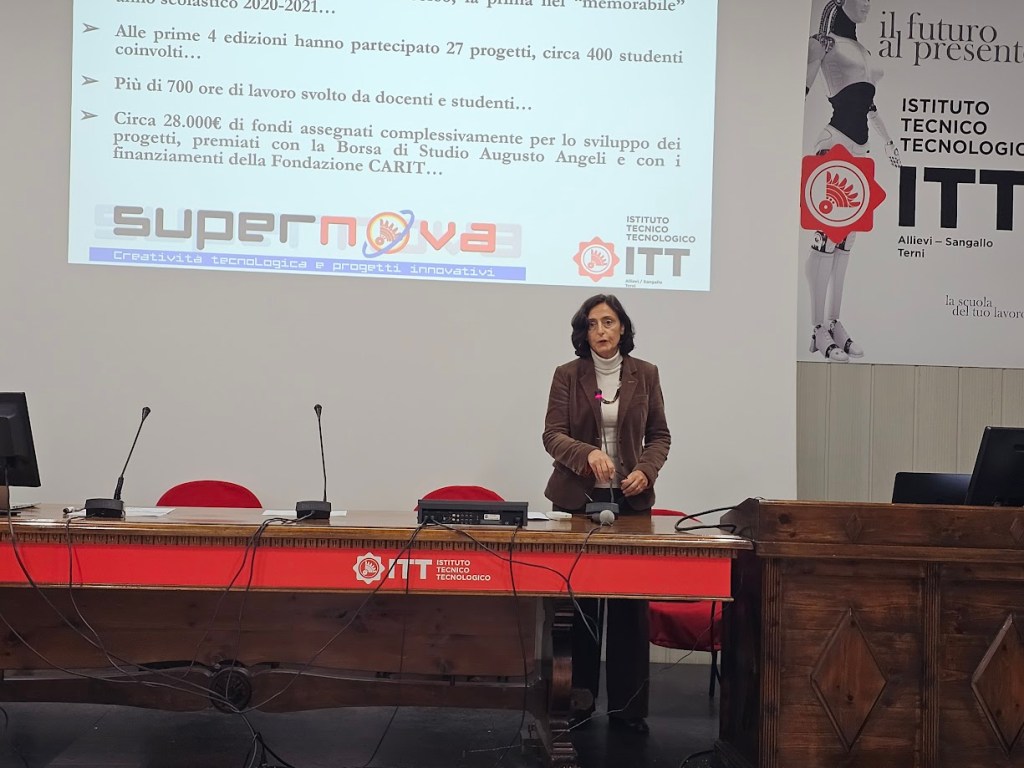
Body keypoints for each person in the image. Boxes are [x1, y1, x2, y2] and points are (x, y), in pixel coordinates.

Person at [542, 294, 671, 735]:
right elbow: (552, 435)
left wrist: (646, 471)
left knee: (629, 608)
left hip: (631, 504)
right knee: (579, 606)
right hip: (577, 503)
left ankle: (628, 709)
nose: (601, 330)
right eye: (593, 323)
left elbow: (659, 436)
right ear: (584, 332)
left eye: (609, 322)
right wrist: (587, 454)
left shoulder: (646, 374)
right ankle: (577, 701)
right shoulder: (568, 374)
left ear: (622, 329)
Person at [805, 0, 900, 361]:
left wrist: (888, 140)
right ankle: (817, 328)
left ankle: (834, 322)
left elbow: (867, 105)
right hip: (835, 144)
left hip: (861, 149)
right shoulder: (825, 42)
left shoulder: (862, 49)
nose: (867, 4)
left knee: (848, 239)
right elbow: (802, 89)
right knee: (827, 237)